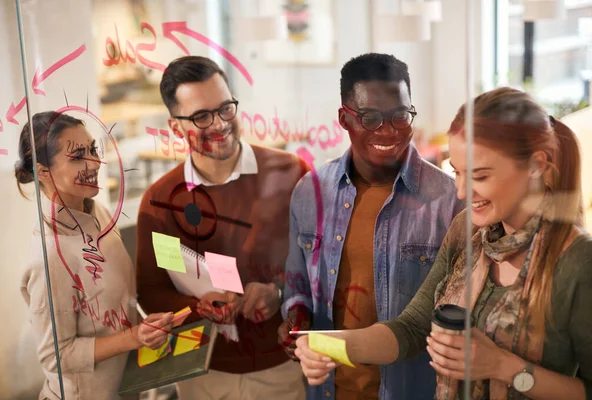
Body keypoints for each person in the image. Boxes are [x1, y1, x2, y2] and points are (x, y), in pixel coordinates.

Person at [294, 87, 592, 400]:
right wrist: (325, 343)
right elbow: (410, 329)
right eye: (458, 173)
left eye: (479, 176)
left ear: (537, 165)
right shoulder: (466, 234)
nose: (462, 192)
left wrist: (503, 367)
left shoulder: (578, 260)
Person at [279, 52, 464, 400]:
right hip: (329, 390)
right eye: (370, 118)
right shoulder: (310, 192)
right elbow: (297, 284)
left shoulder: (451, 202)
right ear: (344, 119)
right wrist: (297, 318)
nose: (389, 131)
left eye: (400, 116)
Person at [136, 56, 310, 400]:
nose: (219, 124)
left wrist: (277, 292)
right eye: (201, 116)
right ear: (175, 128)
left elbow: (324, 267)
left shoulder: (292, 174)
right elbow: (152, 292)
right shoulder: (160, 203)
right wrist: (198, 306)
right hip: (202, 372)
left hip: (281, 368)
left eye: (226, 108)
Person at [16, 111, 173, 400]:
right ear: (43, 172)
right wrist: (133, 338)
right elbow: (56, 356)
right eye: (77, 157)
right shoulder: (50, 255)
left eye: (92, 150)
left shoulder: (96, 210)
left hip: (125, 386)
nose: (94, 163)